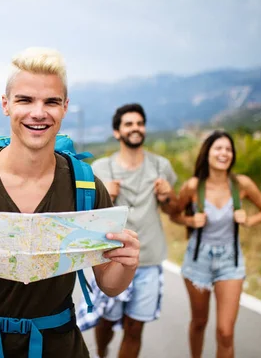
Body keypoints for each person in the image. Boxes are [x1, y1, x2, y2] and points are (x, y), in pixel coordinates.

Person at [0, 47, 140, 357]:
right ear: (6, 105)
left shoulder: (85, 187)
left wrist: (127, 264)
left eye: (51, 102)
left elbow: (110, 285)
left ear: (65, 107)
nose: (38, 112)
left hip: (58, 348)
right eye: (25, 100)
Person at [79, 103, 179, 358]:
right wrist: (105, 197)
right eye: (129, 124)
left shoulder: (161, 166)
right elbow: (86, 218)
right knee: (107, 321)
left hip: (149, 259)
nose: (135, 128)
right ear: (117, 132)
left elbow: (173, 211)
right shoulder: (99, 169)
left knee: (135, 329)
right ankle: (102, 353)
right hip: (111, 260)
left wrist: (168, 197)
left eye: (139, 123)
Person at [170, 130, 261, 358]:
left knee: (225, 332)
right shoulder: (192, 186)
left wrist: (248, 220)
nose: (224, 153)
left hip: (230, 262)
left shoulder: (242, 184)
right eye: (218, 148)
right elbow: (174, 214)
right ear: (207, 153)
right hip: (198, 262)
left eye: (228, 149)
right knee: (199, 322)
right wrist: (190, 220)